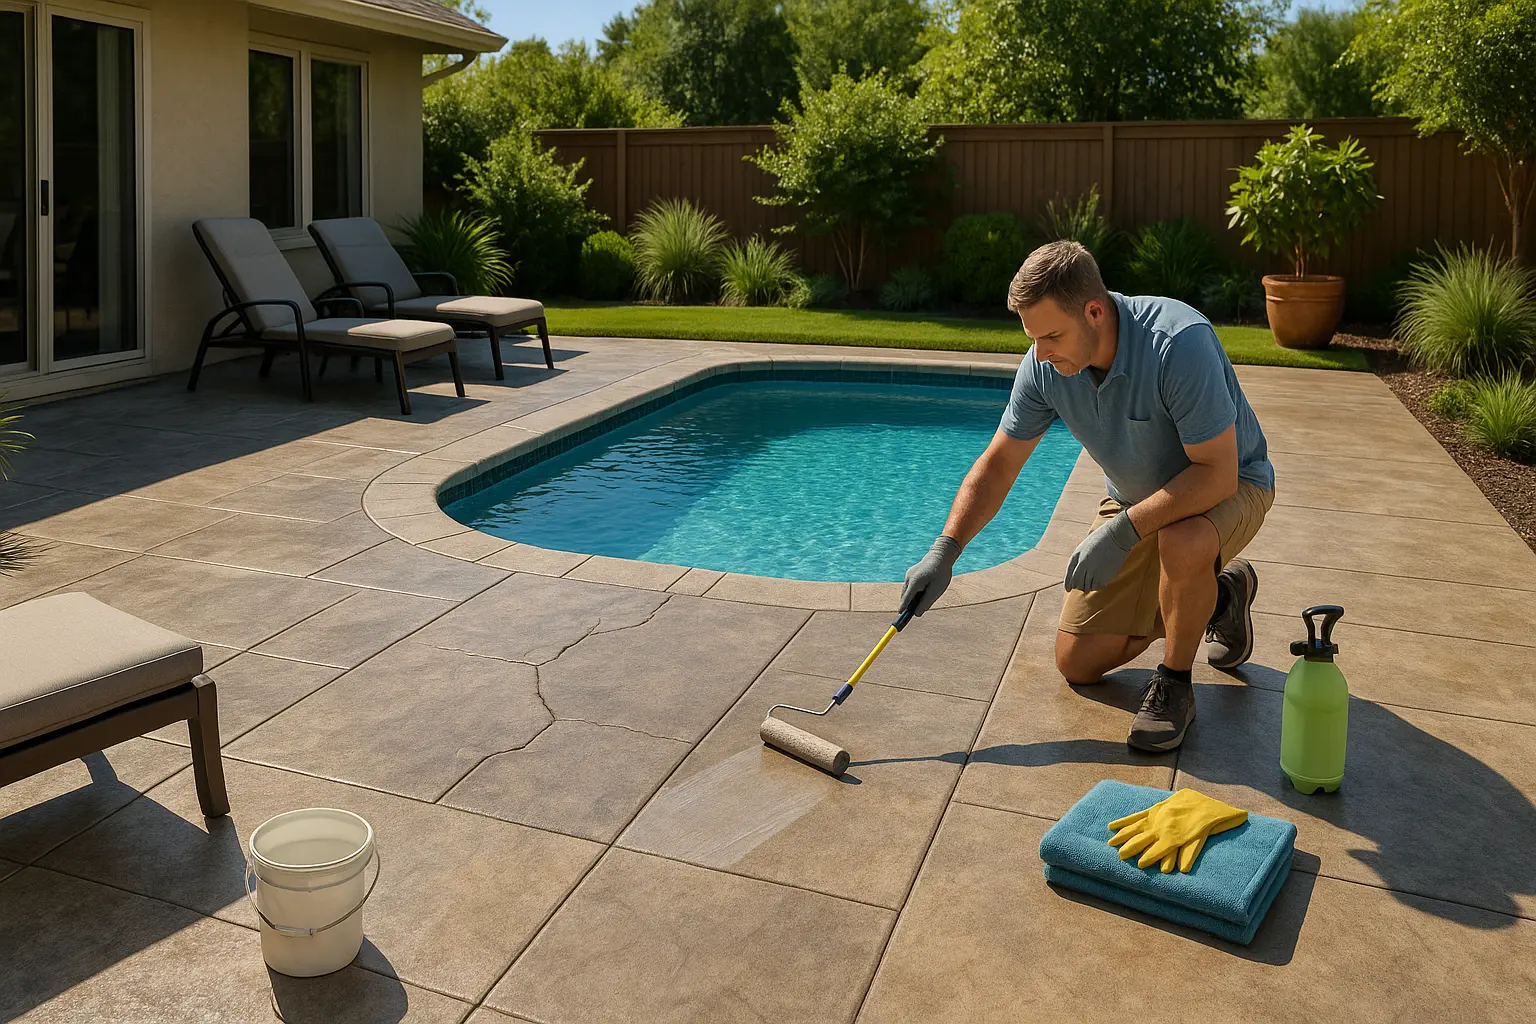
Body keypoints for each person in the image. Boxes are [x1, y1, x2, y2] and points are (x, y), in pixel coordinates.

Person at [901, 241, 1275, 752]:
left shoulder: (1177, 343)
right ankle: (1222, 596)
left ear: (1095, 311)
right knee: (1077, 662)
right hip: (1137, 501)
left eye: (1051, 335)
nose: (1041, 352)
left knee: (1183, 542)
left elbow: (1217, 475)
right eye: (1033, 337)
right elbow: (998, 465)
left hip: (1229, 486)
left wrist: (1123, 533)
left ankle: (1175, 686)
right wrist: (945, 550)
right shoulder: (1044, 367)